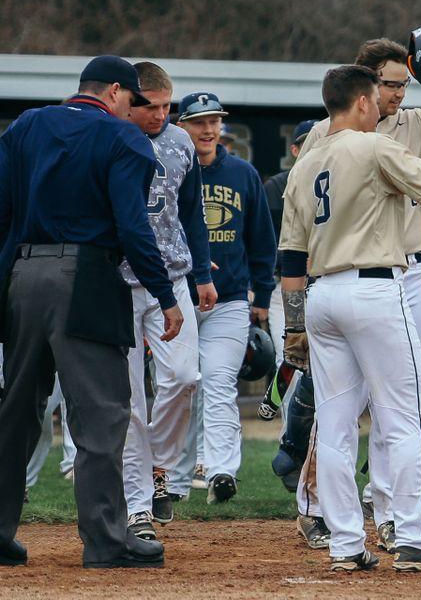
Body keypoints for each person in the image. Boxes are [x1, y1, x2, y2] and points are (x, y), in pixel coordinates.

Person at [289, 33, 421, 547]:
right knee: (397, 408)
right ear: (365, 89)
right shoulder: (358, 139)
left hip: (378, 278)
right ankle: (395, 531)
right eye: (390, 85)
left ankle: (370, 522)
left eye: (405, 85)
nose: (399, 95)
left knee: (356, 411)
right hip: (374, 281)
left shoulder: (389, 128)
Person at [0, 55, 183, 568]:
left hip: (23, 274)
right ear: (115, 94)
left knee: (15, 412)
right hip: (86, 275)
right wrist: (165, 295)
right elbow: (133, 227)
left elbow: (3, 212)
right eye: (133, 101)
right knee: (101, 414)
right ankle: (106, 541)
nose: (134, 111)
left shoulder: (28, 125)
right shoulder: (124, 139)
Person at [121, 62, 216, 541]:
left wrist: (202, 272)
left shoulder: (180, 141)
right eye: (150, 106)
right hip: (118, 280)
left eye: (166, 106)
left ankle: (157, 460)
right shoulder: (111, 135)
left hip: (173, 275)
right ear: (130, 101)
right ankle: (138, 503)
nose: (160, 115)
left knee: (184, 377)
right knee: (132, 399)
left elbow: (192, 213)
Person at [173, 91, 276, 504]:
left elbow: (262, 241)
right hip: (177, 296)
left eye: (214, 121)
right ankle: (174, 475)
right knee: (179, 385)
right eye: (199, 122)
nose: (209, 129)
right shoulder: (169, 171)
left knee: (218, 382)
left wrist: (262, 295)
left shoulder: (243, 175)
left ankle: (220, 472)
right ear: (182, 126)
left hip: (231, 299)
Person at [259, 119, 318, 422]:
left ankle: (314, 448)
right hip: (285, 286)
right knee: (291, 359)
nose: (312, 147)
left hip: (324, 285)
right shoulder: (277, 186)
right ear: (294, 149)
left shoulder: (334, 179)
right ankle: (290, 442)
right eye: (305, 142)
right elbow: (267, 241)